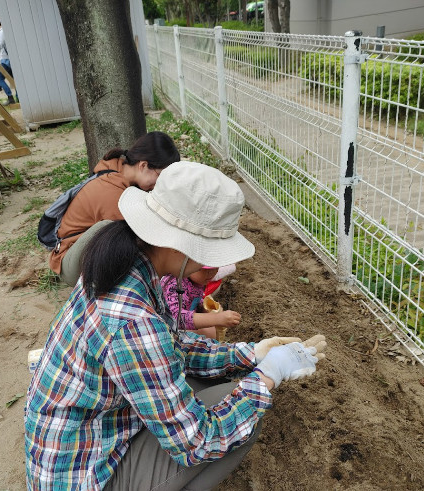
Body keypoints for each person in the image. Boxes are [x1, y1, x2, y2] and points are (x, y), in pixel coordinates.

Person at [25, 161, 327, 490]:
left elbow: (170, 347)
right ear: (179, 245)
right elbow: (199, 442)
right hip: (81, 475)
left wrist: (249, 354)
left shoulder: (124, 265)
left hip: (78, 442)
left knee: (201, 384)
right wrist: (267, 376)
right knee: (238, 417)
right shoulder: (132, 322)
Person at [48, 131, 180, 286]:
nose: (160, 185)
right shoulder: (113, 193)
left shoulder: (119, 170)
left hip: (87, 251)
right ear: (143, 165)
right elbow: (135, 242)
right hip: (70, 263)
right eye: (160, 176)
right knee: (123, 237)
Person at [161, 265, 241, 339]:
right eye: (205, 269)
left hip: (186, 320)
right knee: (209, 331)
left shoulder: (196, 280)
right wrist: (217, 318)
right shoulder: (175, 285)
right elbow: (176, 318)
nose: (211, 273)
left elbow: (193, 299)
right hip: (167, 331)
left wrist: (203, 306)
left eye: (215, 267)